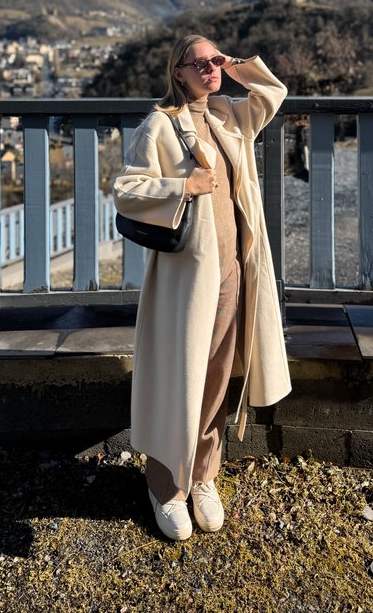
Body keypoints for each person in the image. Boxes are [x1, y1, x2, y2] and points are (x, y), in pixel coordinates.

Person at [113, 34, 291, 541]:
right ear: (179, 73)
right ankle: (165, 486)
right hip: (186, 282)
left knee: (218, 377)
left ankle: (203, 476)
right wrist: (183, 186)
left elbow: (272, 95)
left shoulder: (229, 115)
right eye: (202, 63)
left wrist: (239, 66)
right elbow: (127, 191)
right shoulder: (160, 125)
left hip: (235, 273)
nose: (212, 69)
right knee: (180, 376)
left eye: (217, 60)